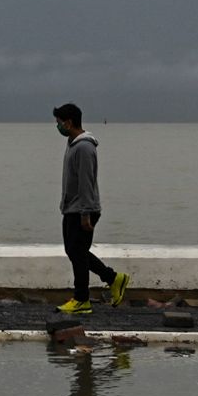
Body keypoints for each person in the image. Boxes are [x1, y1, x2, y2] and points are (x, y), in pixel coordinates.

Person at [54, 102, 128, 314]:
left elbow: (86, 182)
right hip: (72, 208)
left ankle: (81, 300)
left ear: (68, 123)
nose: (57, 127)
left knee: (77, 253)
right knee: (75, 252)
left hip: (83, 210)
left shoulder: (84, 148)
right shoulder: (73, 144)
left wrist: (86, 213)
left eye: (59, 123)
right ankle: (114, 279)